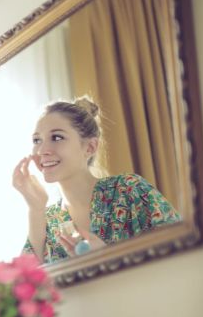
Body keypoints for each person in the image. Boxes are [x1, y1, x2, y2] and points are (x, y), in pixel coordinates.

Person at [12, 96, 180, 264]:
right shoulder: (45, 218)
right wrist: (35, 210)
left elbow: (180, 251)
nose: (42, 150)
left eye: (57, 137)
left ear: (90, 147)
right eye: (36, 140)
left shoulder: (129, 189)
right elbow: (28, 283)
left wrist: (107, 255)